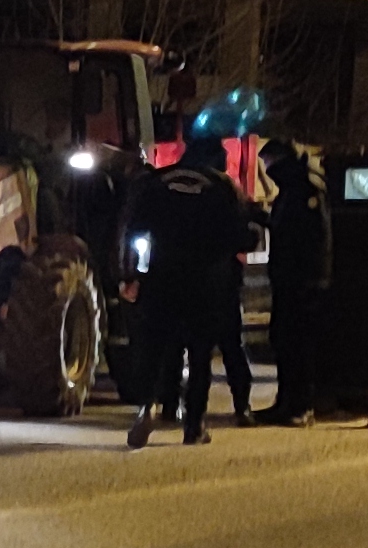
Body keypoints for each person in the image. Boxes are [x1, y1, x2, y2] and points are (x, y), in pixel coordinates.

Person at [118, 136, 264, 448]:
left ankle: (146, 408)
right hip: (207, 284)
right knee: (200, 356)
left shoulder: (157, 182)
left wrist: (130, 274)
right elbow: (240, 236)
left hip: (161, 278)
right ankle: (194, 424)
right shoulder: (223, 188)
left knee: (156, 347)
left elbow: (132, 228)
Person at [260, 140, 331, 424]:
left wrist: (308, 277)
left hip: (303, 281)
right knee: (284, 340)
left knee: (298, 344)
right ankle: (287, 402)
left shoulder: (305, 187)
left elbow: (308, 237)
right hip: (291, 279)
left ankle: (300, 406)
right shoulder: (293, 188)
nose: (267, 172)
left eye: (268, 165)